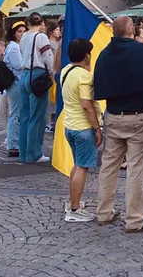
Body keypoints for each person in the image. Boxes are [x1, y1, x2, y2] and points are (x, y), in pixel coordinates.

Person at [94, 16, 143, 232]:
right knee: (136, 168)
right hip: (138, 114)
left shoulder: (104, 54)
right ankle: (135, 220)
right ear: (131, 30)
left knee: (109, 166)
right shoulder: (142, 50)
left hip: (113, 115)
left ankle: (104, 212)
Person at [61, 38, 103, 223]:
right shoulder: (84, 76)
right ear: (87, 55)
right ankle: (74, 209)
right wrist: (97, 128)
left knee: (77, 165)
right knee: (82, 168)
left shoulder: (66, 70)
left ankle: (72, 202)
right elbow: (86, 105)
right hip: (83, 128)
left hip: (70, 125)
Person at [18, 13, 55, 164]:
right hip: (38, 75)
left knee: (24, 116)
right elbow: (48, 57)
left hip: (24, 75)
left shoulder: (24, 37)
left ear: (28, 23)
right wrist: (51, 73)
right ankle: (34, 154)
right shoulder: (41, 37)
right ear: (41, 23)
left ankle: (23, 153)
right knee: (37, 116)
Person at [3, 21, 26, 158]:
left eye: (24, 31)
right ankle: (12, 144)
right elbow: (19, 65)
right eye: (19, 32)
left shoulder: (16, 46)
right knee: (15, 114)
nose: (22, 34)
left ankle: (14, 142)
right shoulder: (14, 48)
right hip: (16, 82)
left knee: (17, 113)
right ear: (13, 34)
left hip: (18, 82)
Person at [45, 20, 63, 134]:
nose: (58, 32)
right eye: (56, 30)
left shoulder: (59, 42)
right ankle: (51, 122)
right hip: (52, 73)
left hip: (57, 72)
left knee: (55, 99)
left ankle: (54, 120)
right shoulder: (48, 43)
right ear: (51, 32)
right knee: (52, 99)